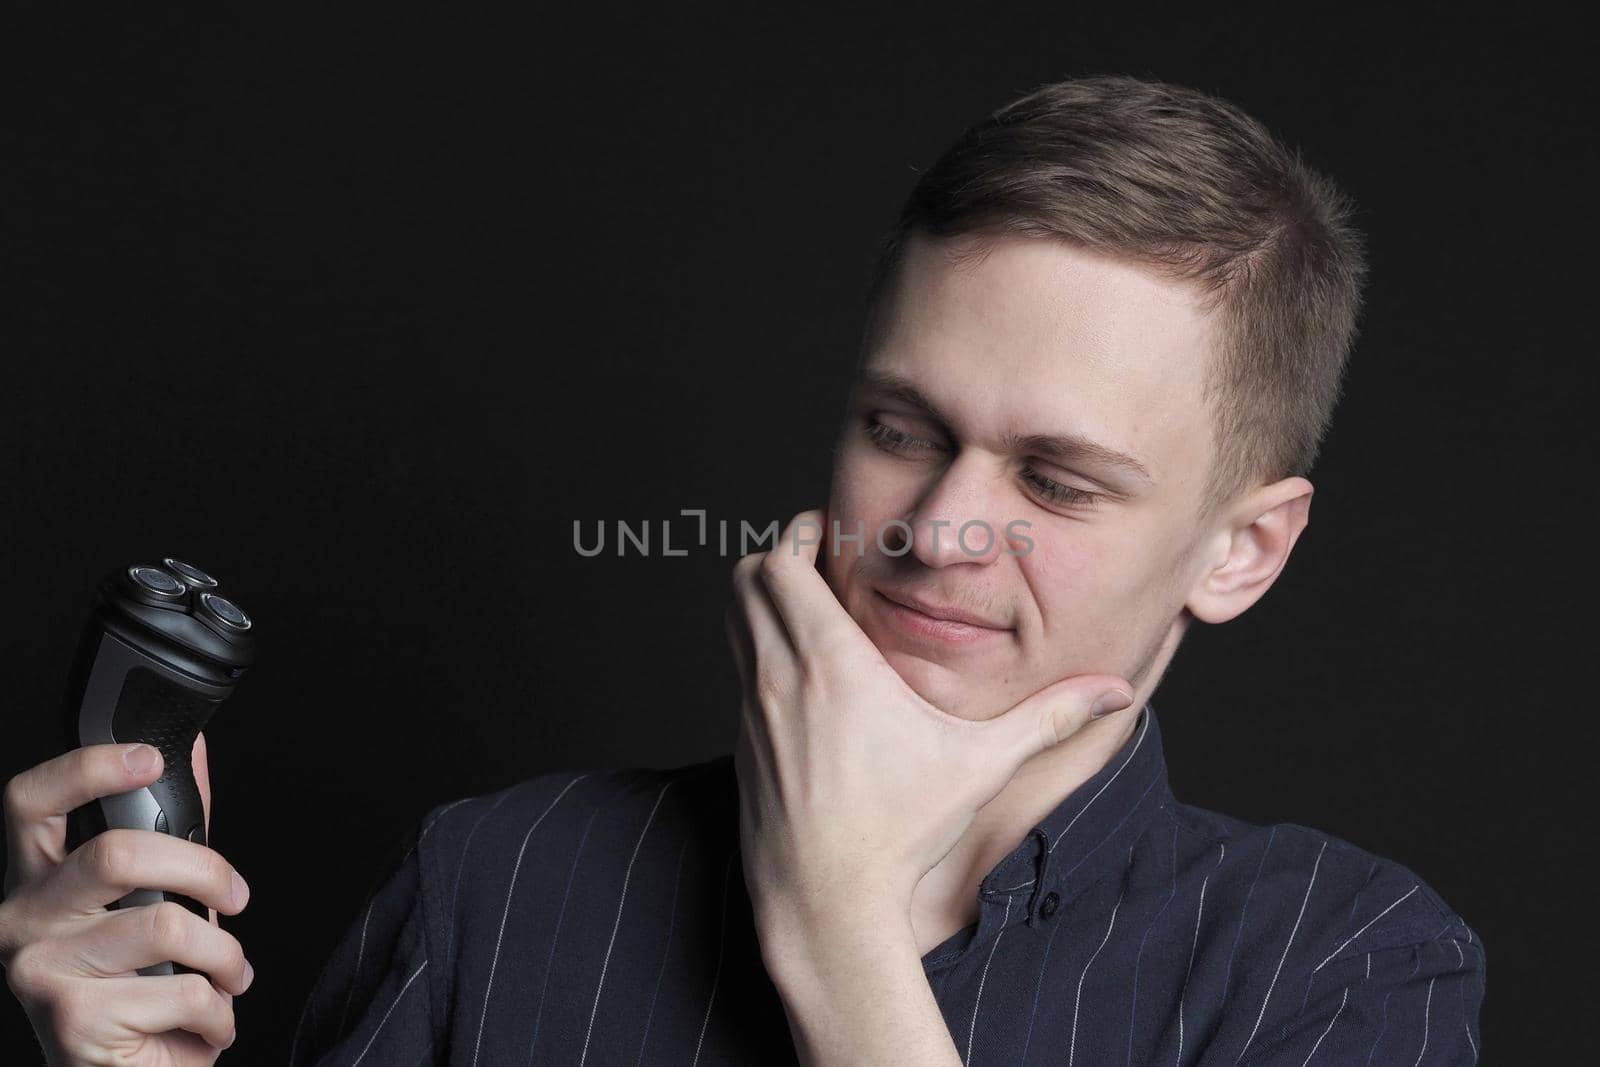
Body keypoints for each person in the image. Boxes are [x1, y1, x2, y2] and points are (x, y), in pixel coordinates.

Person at [2, 74, 1485, 1065]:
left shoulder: (1341, 970)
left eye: (1056, 479)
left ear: (1242, 550)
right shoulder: (499, 880)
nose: (938, 528)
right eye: (900, 429)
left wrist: (837, 923)